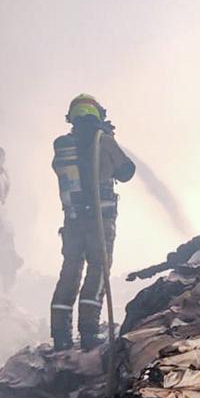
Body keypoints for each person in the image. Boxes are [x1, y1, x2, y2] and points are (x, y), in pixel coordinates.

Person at [50, 94, 136, 351]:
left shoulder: (63, 146)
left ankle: (61, 335)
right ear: (98, 115)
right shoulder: (103, 142)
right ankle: (88, 331)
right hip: (100, 221)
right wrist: (107, 138)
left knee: (70, 272)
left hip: (73, 222)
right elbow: (126, 171)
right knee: (98, 271)